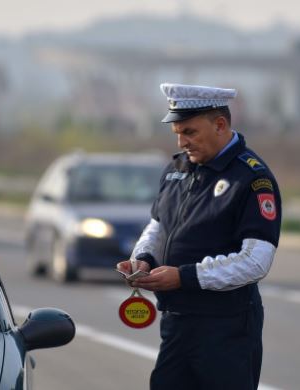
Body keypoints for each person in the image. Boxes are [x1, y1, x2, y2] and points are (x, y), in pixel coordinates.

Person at [117, 83, 281, 390]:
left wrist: (185, 277)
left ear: (220, 125)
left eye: (190, 132)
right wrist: (142, 259)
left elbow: (257, 260)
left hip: (226, 327)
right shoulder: (177, 168)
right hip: (177, 321)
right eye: (177, 133)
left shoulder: (251, 177)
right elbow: (158, 225)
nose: (182, 142)